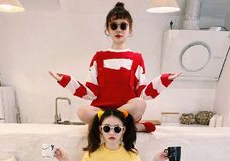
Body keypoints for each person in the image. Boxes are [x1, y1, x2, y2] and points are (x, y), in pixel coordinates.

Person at [49, 2, 179, 132]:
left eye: (123, 26)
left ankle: (107, 124)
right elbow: (90, 92)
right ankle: (130, 127)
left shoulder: (137, 58)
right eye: (114, 25)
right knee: (82, 111)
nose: (118, 29)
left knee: (140, 103)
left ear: (130, 29)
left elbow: (142, 93)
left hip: (127, 112)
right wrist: (64, 80)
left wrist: (165, 79)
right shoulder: (99, 57)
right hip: (101, 109)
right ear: (108, 29)